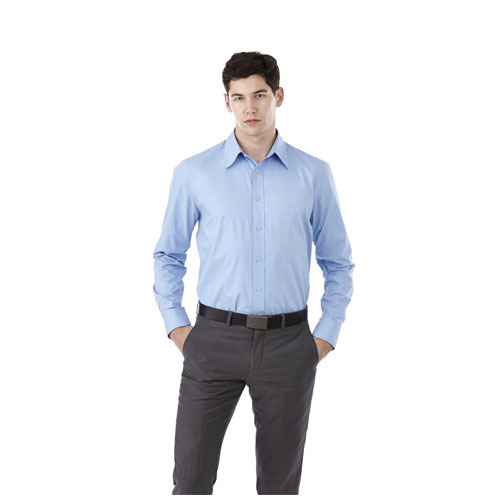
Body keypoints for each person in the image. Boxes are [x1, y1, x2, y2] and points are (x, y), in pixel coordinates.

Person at [152, 51, 355, 495]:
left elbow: (338, 261)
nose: (250, 108)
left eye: (259, 95)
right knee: (191, 479)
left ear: (278, 96)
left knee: (279, 486)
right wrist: (178, 327)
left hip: (289, 345)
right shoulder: (194, 173)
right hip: (212, 340)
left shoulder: (313, 174)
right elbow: (168, 254)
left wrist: (325, 335)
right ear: (226, 102)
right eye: (239, 97)